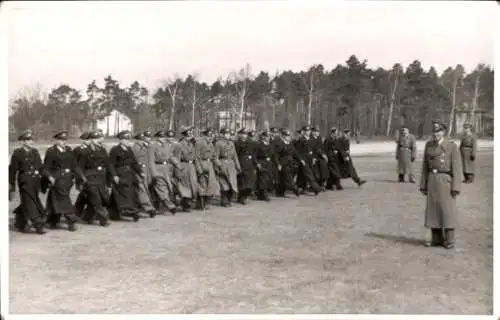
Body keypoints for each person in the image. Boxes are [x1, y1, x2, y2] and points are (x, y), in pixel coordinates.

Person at [419, 122, 462, 249]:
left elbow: (457, 168)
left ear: (444, 132)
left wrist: (456, 187)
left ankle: (449, 240)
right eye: (434, 132)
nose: (436, 134)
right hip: (432, 180)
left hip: (445, 181)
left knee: (447, 210)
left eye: (439, 131)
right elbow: (425, 166)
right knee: (434, 210)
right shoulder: (429, 145)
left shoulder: (451, 146)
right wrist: (423, 184)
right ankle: (437, 239)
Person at [43, 130, 83, 231]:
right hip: (57, 179)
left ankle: (52, 220)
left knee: (55, 198)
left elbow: (74, 165)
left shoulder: (69, 150)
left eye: (65, 140)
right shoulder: (51, 151)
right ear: (56, 140)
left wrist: (81, 175)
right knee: (64, 198)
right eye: (61, 140)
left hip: (68, 179)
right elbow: (46, 167)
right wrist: (50, 177)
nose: (63, 142)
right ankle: (71, 220)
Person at [9, 130, 47, 234]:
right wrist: (11, 185)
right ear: (22, 142)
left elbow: (40, 166)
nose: (31, 141)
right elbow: (12, 170)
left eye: (31, 139)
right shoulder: (17, 153)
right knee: (30, 202)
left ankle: (20, 222)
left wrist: (47, 176)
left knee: (29, 201)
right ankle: (38, 224)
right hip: (24, 182)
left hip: (35, 181)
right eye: (28, 139)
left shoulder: (35, 151)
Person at [77, 130, 112, 227]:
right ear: (91, 140)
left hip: (101, 177)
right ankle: (103, 219)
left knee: (98, 199)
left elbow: (108, 164)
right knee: (96, 199)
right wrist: (82, 178)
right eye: (94, 139)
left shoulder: (102, 150)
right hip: (90, 178)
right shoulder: (85, 151)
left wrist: (111, 176)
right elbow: (80, 167)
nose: (97, 140)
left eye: (97, 138)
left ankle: (86, 217)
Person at [107, 130, 142, 221]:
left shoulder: (129, 149)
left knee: (121, 194)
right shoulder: (115, 150)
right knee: (124, 193)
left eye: (129, 140)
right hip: (120, 174)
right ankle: (132, 212)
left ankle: (114, 214)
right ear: (121, 140)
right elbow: (111, 164)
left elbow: (134, 162)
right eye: (126, 140)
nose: (128, 141)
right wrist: (114, 176)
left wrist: (140, 171)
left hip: (129, 174)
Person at [148, 130, 178, 214]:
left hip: (166, 168)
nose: (163, 139)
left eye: (163, 137)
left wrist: (177, 164)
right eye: (160, 137)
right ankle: (170, 206)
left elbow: (170, 156)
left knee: (168, 187)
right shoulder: (152, 146)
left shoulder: (166, 146)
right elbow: (151, 160)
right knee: (161, 187)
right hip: (158, 168)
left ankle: (156, 205)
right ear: (157, 138)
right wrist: (154, 173)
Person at [172, 126, 200, 212]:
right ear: (184, 136)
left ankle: (188, 203)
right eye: (188, 135)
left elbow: (195, 157)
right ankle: (186, 205)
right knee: (184, 186)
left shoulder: (192, 144)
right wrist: (177, 172)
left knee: (193, 185)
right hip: (183, 166)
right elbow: (176, 159)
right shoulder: (179, 145)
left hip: (191, 167)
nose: (190, 137)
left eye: (191, 135)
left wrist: (198, 169)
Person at [131, 131, 157, 218]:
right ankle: (149, 208)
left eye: (143, 139)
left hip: (146, 170)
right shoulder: (134, 148)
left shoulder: (145, 147)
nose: (142, 141)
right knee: (141, 189)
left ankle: (139, 207)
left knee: (144, 189)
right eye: (140, 140)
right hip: (138, 171)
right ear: (136, 140)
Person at [214, 128, 241, 207]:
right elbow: (215, 157)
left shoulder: (231, 144)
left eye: (229, 134)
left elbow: (235, 156)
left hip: (231, 165)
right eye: (226, 133)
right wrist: (219, 165)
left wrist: (238, 166)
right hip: (223, 164)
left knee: (232, 183)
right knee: (224, 184)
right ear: (222, 134)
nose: (228, 135)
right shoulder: (218, 144)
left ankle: (229, 200)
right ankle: (224, 201)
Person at [195, 128, 220, 210]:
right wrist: (199, 169)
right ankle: (200, 204)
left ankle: (207, 202)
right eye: (209, 134)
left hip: (209, 165)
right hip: (202, 163)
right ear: (206, 135)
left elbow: (214, 156)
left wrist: (218, 164)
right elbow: (197, 157)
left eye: (212, 134)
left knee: (211, 184)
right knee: (202, 184)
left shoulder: (211, 144)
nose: (211, 136)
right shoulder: (199, 143)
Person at [293, 125, 322, 195]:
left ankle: (300, 188)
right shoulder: (301, 140)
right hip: (304, 160)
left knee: (304, 175)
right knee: (309, 174)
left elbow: (314, 150)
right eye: (306, 131)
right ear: (303, 132)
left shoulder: (311, 140)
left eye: (308, 131)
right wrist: (301, 159)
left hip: (310, 160)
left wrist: (314, 158)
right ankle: (316, 188)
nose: (307, 132)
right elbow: (297, 152)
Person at [273, 128, 301, 198]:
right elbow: (276, 155)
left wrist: (300, 159)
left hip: (290, 163)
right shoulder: (279, 144)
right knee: (289, 178)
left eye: (289, 136)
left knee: (282, 178)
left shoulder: (290, 143)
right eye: (286, 136)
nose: (288, 137)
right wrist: (278, 164)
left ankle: (280, 192)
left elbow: (295, 153)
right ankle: (296, 190)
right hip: (283, 164)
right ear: (282, 136)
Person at [234, 128, 257, 205]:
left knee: (250, 182)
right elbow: (236, 155)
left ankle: (244, 197)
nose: (245, 136)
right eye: (243, 134)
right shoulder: (237, 143)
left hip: (250, 164)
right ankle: (241, 198)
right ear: (240, 135)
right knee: (242, 183)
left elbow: (253, 154)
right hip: (241, 164)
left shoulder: (250, 143)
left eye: (246, 134)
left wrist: (256, 163)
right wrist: (237, 165)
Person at [254, 131, 275, 201]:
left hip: (269, 164)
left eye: (268, 136)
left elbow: (273, 155)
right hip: (262, 163)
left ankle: (260, 194)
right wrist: (257, 164)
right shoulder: (259, 145)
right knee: (263, 179)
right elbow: (255, 155)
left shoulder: (270, 145)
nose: (268, 138)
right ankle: (264, 194)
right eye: (266, 136)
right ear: (263, 137)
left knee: (267, 179)